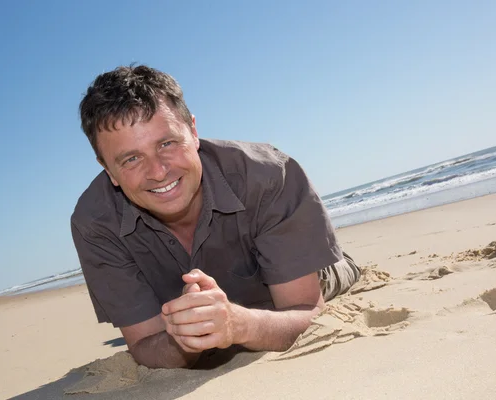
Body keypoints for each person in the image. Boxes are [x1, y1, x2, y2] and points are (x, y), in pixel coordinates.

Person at [71, 65, 361, 369]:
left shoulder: (268, 175)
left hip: (301, 279)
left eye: (166, 143)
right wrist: (182, 340)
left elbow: (308, 312)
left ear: (193, 131)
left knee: (338, 271)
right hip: (213, 308)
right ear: (108, 170)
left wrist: (238, 325)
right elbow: (144, 345)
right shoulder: (94, 224)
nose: (158, 172)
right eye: (131, 159)